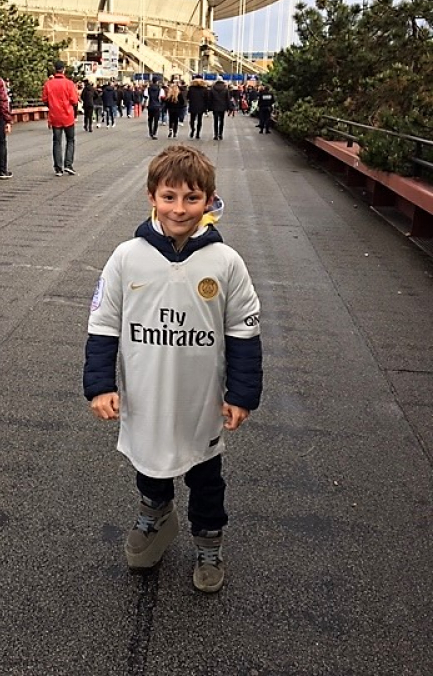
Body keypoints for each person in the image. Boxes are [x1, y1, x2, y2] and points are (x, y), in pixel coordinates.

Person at [83, 144, 262, 593]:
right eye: (169, 197)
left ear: (209, 200)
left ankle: (208, 541)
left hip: (201, 400)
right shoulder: (127, 257)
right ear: (151, 197)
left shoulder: (225, 262)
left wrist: (241, 394)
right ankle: (155, 513)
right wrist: (100, 385)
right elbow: (103, 323)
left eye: (191, 198)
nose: (179, 209)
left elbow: (243, 331)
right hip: (145, 394)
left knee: (205, 476)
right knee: (150, 463)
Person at [41, 61, 79, 176]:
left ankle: (58, 167)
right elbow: (74, 100)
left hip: (55, 117)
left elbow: (44, 99)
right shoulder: (69, 84)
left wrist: (52, 106)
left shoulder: (48, 84)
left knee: (57, 142)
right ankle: (68, 164)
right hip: (68, 116)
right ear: (64, 70)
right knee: (70, 140)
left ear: (54, 69)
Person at [209, 76, 231, 140]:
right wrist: (229, 108)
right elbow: (228, 99)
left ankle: (215, 135)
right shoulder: (225, 89)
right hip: (223, 107)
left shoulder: (212, 89)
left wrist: (209, 107)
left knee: (215, 121)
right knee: (222, 121)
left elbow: (210, 99)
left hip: (215, 107)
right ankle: (220, 134)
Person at [187, 75, 209, 140]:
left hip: (193, 105)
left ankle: (193, 129)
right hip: (201, 106)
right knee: (199, 120)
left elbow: (188, 97)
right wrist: (206, 107)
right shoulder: (204, 89)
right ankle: (198, 134)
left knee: (192, 119)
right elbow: (206, 99)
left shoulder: (191, 88)